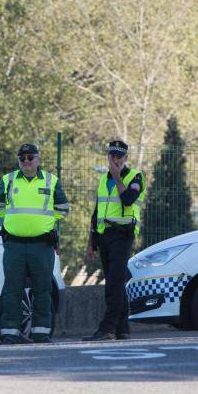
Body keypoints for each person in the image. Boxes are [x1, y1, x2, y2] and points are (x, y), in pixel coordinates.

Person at [0, 143, 69, 344]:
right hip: (14, 245)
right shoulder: (8, 180)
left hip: (41, 246)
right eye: (22, 158)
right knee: (12, 290)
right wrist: (15, 223)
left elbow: (62, 208)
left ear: (38, 159)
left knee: (42, 290)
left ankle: (41, 333)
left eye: (30, 157)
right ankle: (10, 333)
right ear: (18, 161)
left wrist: (44, 223)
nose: (26, 161)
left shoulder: (51, 181)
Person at [83, 140, 146, 341]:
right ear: (108, 156)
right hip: (104, 236)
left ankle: (107, 328)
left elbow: (128, 199)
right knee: (115, 283)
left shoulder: (135, 176)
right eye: (112, 156)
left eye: (119, 156)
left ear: (126, 158)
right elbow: (97, 212)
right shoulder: (103, 179)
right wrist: (91, 242)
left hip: (122, 235)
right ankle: (122, 329)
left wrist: (119, 178)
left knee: (114, 283)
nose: (116, 159)